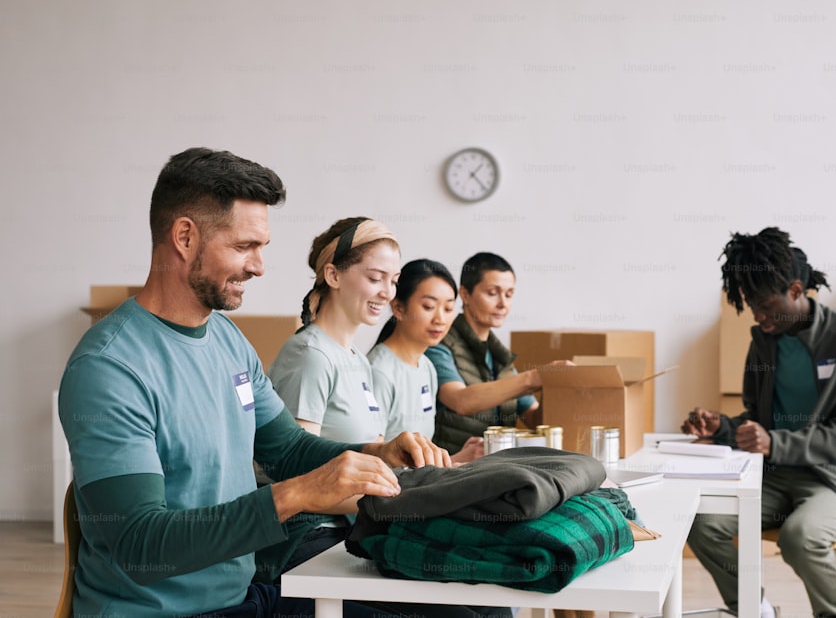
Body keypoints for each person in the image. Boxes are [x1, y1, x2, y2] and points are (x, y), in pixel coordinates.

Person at [58, 147, 507, 618]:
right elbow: (141, 545)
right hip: (163, 612)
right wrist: (298, 494)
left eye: (261, 248)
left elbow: (288, 449)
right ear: (185, 237)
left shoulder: (228, 340)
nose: (258, 266)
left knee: (474, 612)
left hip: (246, 599)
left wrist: (375, 454)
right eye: (243, 247)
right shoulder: (110, 368)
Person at [682, 227, 836, 618]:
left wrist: (776, 444)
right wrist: (722, 429)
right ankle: (753, 608)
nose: (758, 315)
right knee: (700, 522)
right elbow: (762, 423)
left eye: (765, 304)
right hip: (776, 474)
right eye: (750, 305)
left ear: (797, 291)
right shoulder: (764, 341)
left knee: (800, 538)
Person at [269, 216, 400, 444]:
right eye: (376, 278)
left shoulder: (358, 360)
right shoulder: (311, 355)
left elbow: (374, 447)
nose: (388, 293)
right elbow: (298, 462)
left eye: (394, 281)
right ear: (333, 275)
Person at [425, 252, 569, 453]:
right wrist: (535, 377)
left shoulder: (500, 356)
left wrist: (553, 387)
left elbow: (535, 420)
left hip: (496, 468)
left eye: (509, 294)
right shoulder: (439, 344)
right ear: (465, 295)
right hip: (453, 469)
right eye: (492, 293)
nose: (503, 304)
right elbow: (461, 400)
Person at [368, 259, 484, 463]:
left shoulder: (427, 367)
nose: (440, 318)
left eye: (448, 309)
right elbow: (371, 461)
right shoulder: (379, 371)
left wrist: (455, 458)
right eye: (429, 306)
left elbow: (416, 463)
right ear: (398, 308)